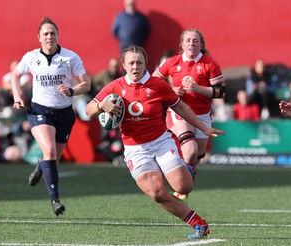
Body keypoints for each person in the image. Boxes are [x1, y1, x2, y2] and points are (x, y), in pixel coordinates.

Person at [86, 45, 225, 239]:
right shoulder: (114, 87)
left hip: (161, 142)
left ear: (145, 64)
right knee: (157, 193)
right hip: (135, 149)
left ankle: (188, 166)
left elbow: (181, 108)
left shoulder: (157, 85)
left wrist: (203, 128)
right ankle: (198, 224)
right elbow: (88, 110)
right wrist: (102, 105)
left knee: (183, 187)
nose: (135, 67)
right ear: (124, 65)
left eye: (139, 62)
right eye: (131, 63)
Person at [11, 16, 91, 216]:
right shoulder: (31, 57)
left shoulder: (70, 57)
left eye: (52, 33)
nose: (49, 37)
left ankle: (41, 165)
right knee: (50, 152)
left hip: (64, 113)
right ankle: (55, 200)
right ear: (38, 37)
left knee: (52, 159)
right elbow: (15, 75)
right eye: (45, 34)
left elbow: (86, 84)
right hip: (40, 110)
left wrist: (72, 91)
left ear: (58, 36)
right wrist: (17, 96)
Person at [152, 29, 226, 201]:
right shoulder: (171, 62)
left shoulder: (210, 64)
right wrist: (170, 91)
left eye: (195, 41)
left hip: (202, 114)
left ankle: (184, 183)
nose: (191, 44)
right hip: (179, 110)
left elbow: (220, 92)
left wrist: (197, 89)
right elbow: (153, 83)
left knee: (196, 157)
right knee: (190, 151)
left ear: (201, 44)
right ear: (182, 44)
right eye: (188, 40)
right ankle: (179, 183)